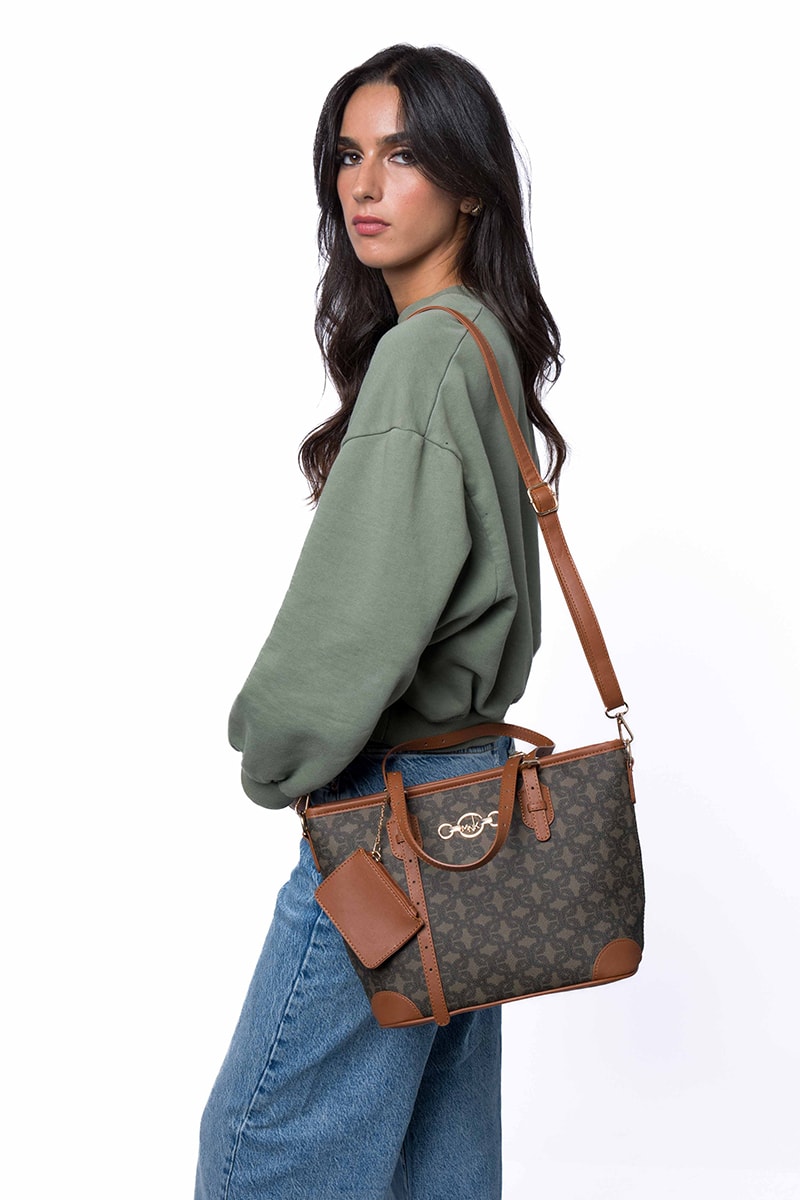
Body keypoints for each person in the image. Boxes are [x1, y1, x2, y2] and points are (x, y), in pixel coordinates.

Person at [195, 43, 566, 1200]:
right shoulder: (481, 340)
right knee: (427, 1163)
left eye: (402, 155)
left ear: (470, 184)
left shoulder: (424, 356)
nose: (363, 183)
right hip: (472, 800)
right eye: (347, 155)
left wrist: (273, 749)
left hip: (395, 818)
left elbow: (352, 624)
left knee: (264, 1154)